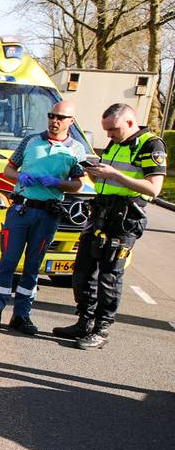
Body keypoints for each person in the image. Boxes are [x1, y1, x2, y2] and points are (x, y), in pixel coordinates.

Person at [52, 103, 166, 349]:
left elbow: (154, 188)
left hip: (124, 218)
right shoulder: (117, 142)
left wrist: (114, 174)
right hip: (100, 214)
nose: (109, 136)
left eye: (112, 130)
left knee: (109, 276)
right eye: (106, 131)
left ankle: (101, 329)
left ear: (129, 122)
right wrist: (95, 173)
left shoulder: (150, 145)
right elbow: (109, 178)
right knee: (82, 270)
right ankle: (84, 320)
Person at [0, 100, 87, 334]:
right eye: (51, 115)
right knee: (7, 263)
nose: (54, 121)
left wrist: (58, 183)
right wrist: (20, 177)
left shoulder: (76, 149)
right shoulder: (30, 141)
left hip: (47, 215)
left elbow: (78, 184)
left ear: (71, 121)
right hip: (21, 210)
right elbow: (8, 170)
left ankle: (21, 316)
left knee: (33, 266)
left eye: (60, 117)